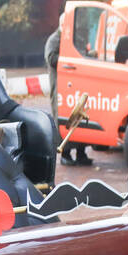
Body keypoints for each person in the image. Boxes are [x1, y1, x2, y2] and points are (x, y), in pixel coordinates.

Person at [44, 26, 91, 166]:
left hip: (76, 86)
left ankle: (81, 153)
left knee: (79, 119)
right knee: (64, 120)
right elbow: (51, 58)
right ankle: (65, 153)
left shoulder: (75, 39)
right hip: (61, 87)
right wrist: (70, 61)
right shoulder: (54, 40)